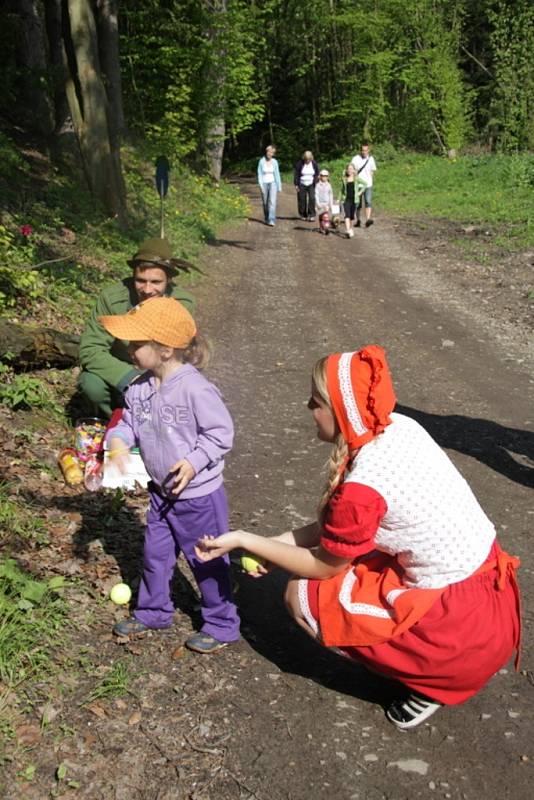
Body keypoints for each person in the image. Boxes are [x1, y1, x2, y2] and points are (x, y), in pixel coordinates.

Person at [195, 346, 521, 727]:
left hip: (455, 624)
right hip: (486, 593)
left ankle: (429, 681)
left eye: (316, 402)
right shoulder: (398, 427)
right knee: (351, 566)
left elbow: (322, 564)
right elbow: (339, 531)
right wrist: (279, 543)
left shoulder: (363, 488)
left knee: (301, 595)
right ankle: (429, 668)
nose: (307, 408)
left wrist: (245, 539)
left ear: (340, 411)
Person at [101, 296, 240, 653]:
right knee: (156, 555)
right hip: (161, 495)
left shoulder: (195, 389)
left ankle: (222, 623)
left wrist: (194, 461)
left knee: (206, 558)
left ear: (165, 349)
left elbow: (220, 433)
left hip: (198, 498)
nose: (129, 349)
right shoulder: (139, 389)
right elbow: (127, 425)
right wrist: (117, 444)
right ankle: (153, 611)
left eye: (137, 343)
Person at [78, 238, 195, 419]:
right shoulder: (112, 298)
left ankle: (155, 423)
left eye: (156, 282)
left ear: (169, 280)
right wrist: (129, 377)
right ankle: (114, 421)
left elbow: (181, 355)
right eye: (140, 280)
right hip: (121, 366)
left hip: (159, 369)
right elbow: (90, 350)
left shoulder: (180, 304)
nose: (147, 289)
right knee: (91, 385)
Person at [351, 143, 377, 227]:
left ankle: (368, 219)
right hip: (358, 184)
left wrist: (370, 179)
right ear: (360, 150)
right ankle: (358, 220)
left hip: (368, 184)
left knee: (368, 201)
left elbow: (373, 170)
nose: (364, 152)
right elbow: (351, 169)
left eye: (366, 150)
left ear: (368, 150)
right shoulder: (355, 159)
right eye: (363, 150)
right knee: (357, 204)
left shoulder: (371, 159)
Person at [339, 163, 367, 238]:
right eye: (348, 169)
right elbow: (341, 190)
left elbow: (365, 184)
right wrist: (339, 199)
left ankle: (350, 229)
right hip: (346, 200)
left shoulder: (356, 178)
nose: (350, 170)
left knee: (351, 217)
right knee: (347, 215)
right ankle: (348, 230)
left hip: (354, 200)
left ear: (354, 170)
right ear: (346, 170)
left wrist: (360, 192)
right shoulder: (344, 179)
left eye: (351, 169)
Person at [257, 145, 282, 226]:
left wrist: (279, 186)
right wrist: (260, 185)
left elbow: (277, 174)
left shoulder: (275, 162)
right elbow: (259, 174)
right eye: (268, 152)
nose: (270, 154)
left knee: (272, 202)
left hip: (273, 183)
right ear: (266, 152)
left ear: (273, 154)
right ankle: (267, 217)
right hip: (264, 183)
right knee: (265, 202)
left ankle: (271, 219)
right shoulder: (261, 161)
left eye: (272, 152)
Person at [293, 150, 319, 221]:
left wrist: (316, 181)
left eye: (309, 159)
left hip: (311, 184)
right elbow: (296, 175)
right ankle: (303, 214)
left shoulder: (314, 164)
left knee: (312, 198)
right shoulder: (300, 164)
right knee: (302, 199)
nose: (307, 161)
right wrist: (296, 185)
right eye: (306, 159)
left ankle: (312, 215)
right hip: (302, 183)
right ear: (304, 158)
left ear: (311, 158)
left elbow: (317, 173)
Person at [315, 169, 334, 235]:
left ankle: (326, 227)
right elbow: (316, 195)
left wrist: (331, 204)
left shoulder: (329, 185)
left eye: (326, 176)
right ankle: (321, 227)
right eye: (323, 176)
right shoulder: (317, 185)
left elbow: (330, 195)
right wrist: (317, 203)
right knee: (321, 216)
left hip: (326, 203)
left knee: (326, 216)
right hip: (320, 204)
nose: (324, 177)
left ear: (328, 177)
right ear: (320, 176)